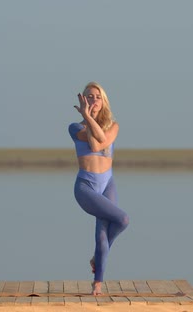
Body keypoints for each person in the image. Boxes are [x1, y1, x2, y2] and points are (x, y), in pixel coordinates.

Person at [69, 82, 129, 295]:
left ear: (103, 102)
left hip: (108, 183)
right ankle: (98, 274)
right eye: (89, 96)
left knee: (103, 235)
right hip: (86, 187)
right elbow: (95, 145)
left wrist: (90, 118)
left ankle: (97, 280)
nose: (93, 100)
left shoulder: (114, 126)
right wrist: (87, 118)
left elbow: (102, 140)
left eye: (97, 97)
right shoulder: (75, 127)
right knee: (123, 219)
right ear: (82, 101)